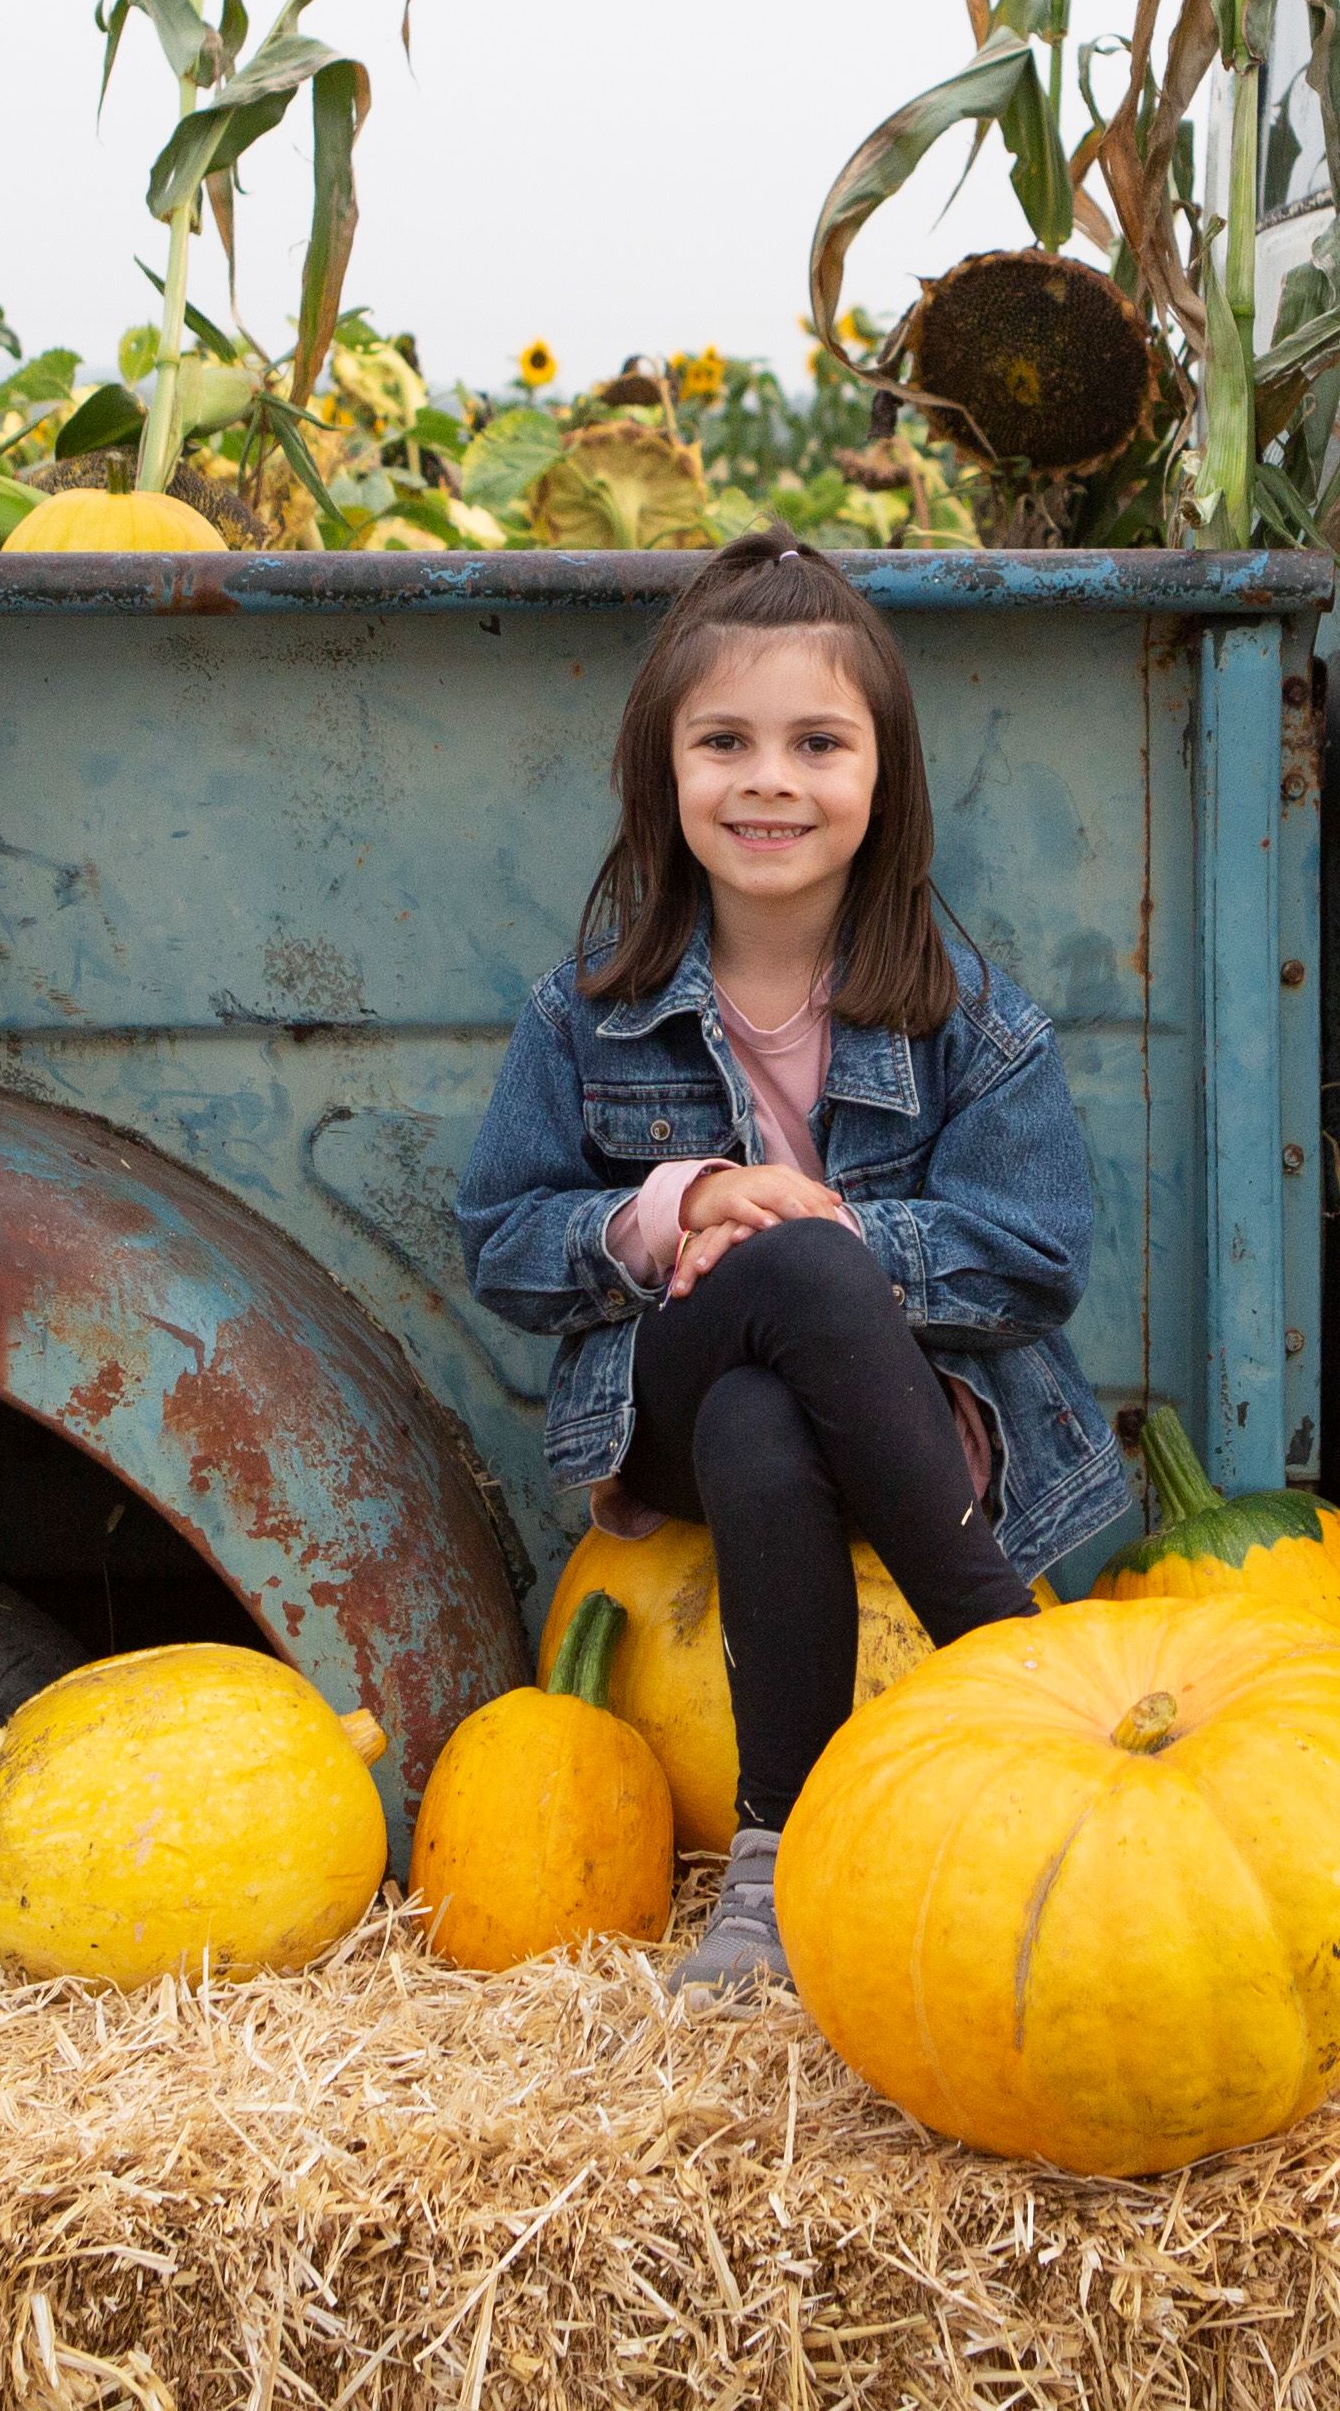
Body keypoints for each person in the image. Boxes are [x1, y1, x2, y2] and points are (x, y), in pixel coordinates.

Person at [452, 533, 1126, 2002]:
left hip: (920, 1421)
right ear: (665, 773)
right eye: (726, 742)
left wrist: (823, 1228)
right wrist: (675, 1208)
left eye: (818, 741)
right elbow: (503, 1243)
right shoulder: (588, 1017)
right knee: (776, 1312)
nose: (770, 779)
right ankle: (1018, 1678)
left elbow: (1034, 1258)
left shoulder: (965, 1014)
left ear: (883, 781)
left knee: (789, 1362)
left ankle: (772, 1872)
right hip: (667, 1406)